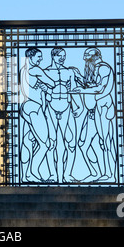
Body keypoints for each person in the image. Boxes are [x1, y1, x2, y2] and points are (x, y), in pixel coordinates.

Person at [71, 47, 116, 182]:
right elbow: (91, 86)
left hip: (103, 107)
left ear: (96, 57)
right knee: (83, 144)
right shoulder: (93, 69)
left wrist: (80, 90)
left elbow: (100, 89)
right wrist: (79, 78)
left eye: (88, 58)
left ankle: (109, 175)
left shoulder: (104, 68)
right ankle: (96, 173)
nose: (85, 60)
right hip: (93, 110)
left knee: (105, 142)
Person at [42, 48, 84, 183]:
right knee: (51, 143)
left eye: (64, 56)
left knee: (71, 143)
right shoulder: (46, 72)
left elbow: (73, 90)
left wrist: (79, 106)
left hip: (67, 107)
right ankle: (53, 175)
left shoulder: (69, 72)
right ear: (53, 56)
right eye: (60, 56)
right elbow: (43, 95)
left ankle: (67, 175)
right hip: (51, 107)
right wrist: (42, 111)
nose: (62, 58)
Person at [19, 47, 56, 182]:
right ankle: (33, 173)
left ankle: (26, 175)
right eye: (39, 57)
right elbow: (52, 83)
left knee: (28, 141)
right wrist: (44, 85)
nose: (41, 59)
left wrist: (40, 85)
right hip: (35, 107)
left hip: (26, 107)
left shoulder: (23, 70)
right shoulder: (35, 69)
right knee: (45, 144)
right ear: (30, 57)